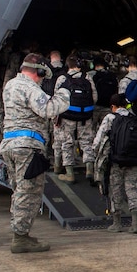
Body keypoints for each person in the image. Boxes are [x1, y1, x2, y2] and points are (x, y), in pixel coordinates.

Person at [0, 53, 71, 253]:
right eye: (42, 76)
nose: (42, 80)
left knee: (19, 190)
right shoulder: (29, 87)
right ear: (38, 71)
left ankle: (20, 232)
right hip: (27, 145)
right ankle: (20, 237)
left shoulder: (11, 85)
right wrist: (65, 93)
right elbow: (49, 109)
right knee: (28, 191)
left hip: (10, 144)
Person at [92, 93, 137, 234]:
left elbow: (98, 141)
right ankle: (136, 224)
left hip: (116, 161)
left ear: (113, 106)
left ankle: (117, 223)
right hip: (134, 160)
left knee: (115, 189)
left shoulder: (110, 117)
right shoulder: (134, 118)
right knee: (132, 188)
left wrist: (96, 155)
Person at [54, 55, 98, 183]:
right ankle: (89, 170)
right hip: (85, 117)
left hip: (68, 117)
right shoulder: (87, 78)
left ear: (68, 65)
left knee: (67, 143)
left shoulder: (62, 78)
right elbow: (94, 97)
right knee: (86, 141)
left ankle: (69, 173)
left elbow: (57, 99)